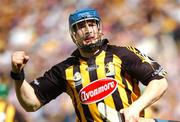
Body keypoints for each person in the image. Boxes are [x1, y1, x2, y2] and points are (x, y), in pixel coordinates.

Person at [10, 8, 168, 122]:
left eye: (91, 24)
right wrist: (18, 75)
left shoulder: (123, 54)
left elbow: (159, 82)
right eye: (81, 27)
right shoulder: (64, 70)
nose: (88, 30)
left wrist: (135, 108)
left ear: (100, 29)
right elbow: (31, 103)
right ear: (73, 35)